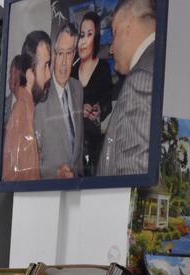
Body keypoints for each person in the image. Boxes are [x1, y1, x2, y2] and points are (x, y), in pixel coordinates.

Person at [97, 0, 157, 177]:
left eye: (114, 33)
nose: (111, 49)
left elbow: (133, 173)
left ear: (128, 25)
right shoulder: (160, 64)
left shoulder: (141, 77)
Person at [35, 22, 84, 179]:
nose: (63, 62)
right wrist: (56, 173)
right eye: (59, 53)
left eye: (69, 53)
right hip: (49, 193)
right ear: (52, 55)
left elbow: (78, 148)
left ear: (75, 54)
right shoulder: (39, 96)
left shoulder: (78, 89)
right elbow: (30, 161)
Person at [2, 31, 51, 182]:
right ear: (30, 74)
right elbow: (19, 181)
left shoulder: (27, 110)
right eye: (45, 67)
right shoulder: (21, 115)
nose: (49, 75)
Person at [77, 11, 113, 175]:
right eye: (81, 35)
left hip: (93, 145)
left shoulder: (103, 68)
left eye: (89, 34)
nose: (83, 41)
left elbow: (107, 101)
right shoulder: (70, 71)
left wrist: (99, 109)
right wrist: (78, 109)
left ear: (96, 38)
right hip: (72, 145)